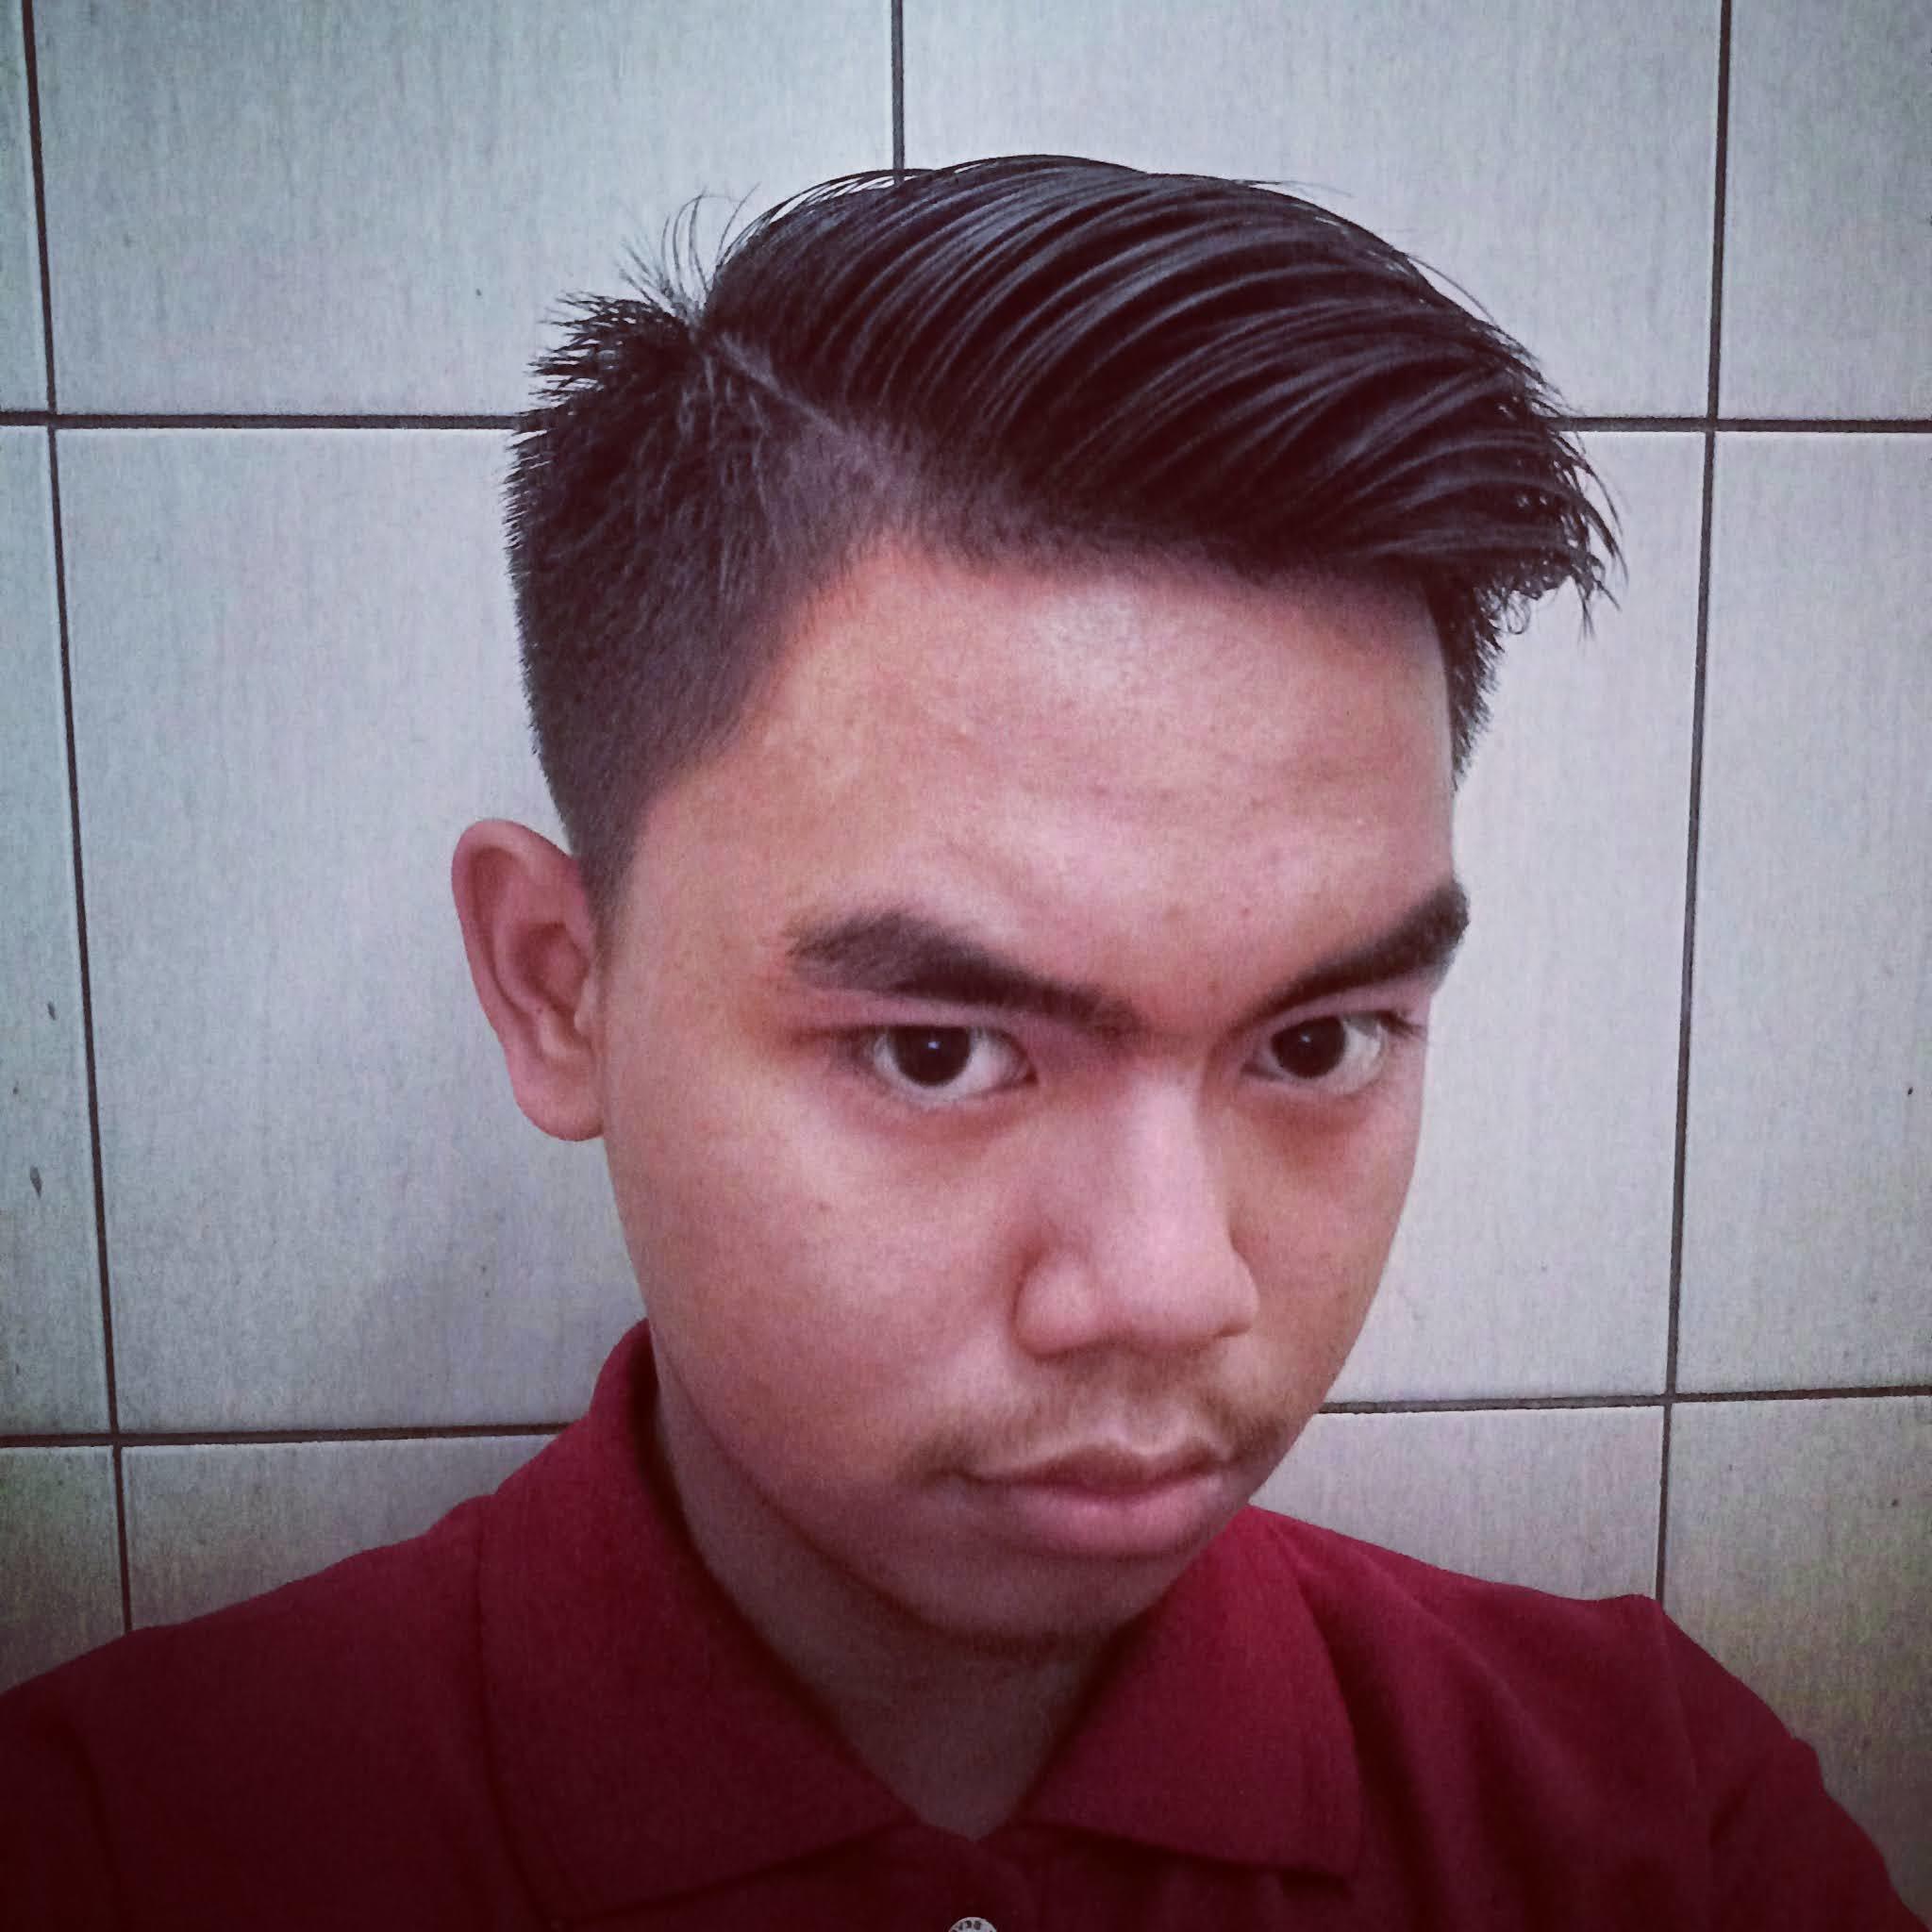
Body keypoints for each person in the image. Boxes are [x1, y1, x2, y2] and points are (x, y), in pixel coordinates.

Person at [0, 157, 1917, 1929]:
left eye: (1322, 1039)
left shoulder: (1645, 1828)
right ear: (559, 984)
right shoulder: (115, 1852)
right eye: (936, 1052)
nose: (1169, 1288)